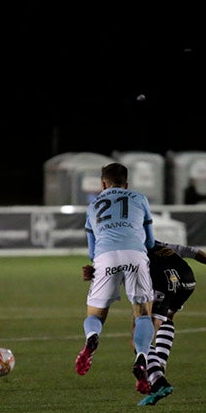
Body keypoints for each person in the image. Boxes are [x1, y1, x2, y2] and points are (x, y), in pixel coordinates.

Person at [101, 240, 206, 406]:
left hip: (162, 283)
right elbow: (192, 251)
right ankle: (158, 368)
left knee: (139, 337)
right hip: (187, 280)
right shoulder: (155, 243)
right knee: (167, 318)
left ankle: (159, 382)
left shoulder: (124, 248)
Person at [75, 162, 157, 395]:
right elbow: (150, 243)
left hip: (105, 257)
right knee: (142, 313)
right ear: (127, 184)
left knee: (95, 315)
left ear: (103, 184)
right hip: (135, 255)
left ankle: (92, 338)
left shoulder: (92, 207)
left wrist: (95, 268)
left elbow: (92, 253)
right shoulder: (139, 198)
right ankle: (141, 357)